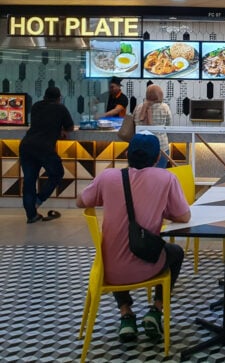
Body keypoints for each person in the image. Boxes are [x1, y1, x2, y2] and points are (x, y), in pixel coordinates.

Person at [76, 133, 191, 343]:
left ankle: (126, 314)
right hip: (148, 265)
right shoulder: (166, 178)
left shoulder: (107, 177)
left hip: (109, 271)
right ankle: (156, 310)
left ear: (127, 154)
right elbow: (184, 216)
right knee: (176, 252)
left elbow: (81, 202)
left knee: (113, 249)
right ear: (158, 158)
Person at [20, 86, 74, 223]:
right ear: (59, 98)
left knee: (29, 181)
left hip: (26, 146)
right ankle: (38, 200)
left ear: (44, 96)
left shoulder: (36, 106)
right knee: (57, 174)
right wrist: (61, 130)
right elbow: (70, 127)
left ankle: (31, 215)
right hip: (44, 148)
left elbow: (41, 124)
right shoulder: (60, 108)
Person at [132, 84, 172, 168]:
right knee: (159, 173)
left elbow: (134, 124)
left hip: (139, 147)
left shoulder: (138, 107)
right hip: (160, 147)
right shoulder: (164, 107)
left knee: (142, 174)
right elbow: (169, 126)